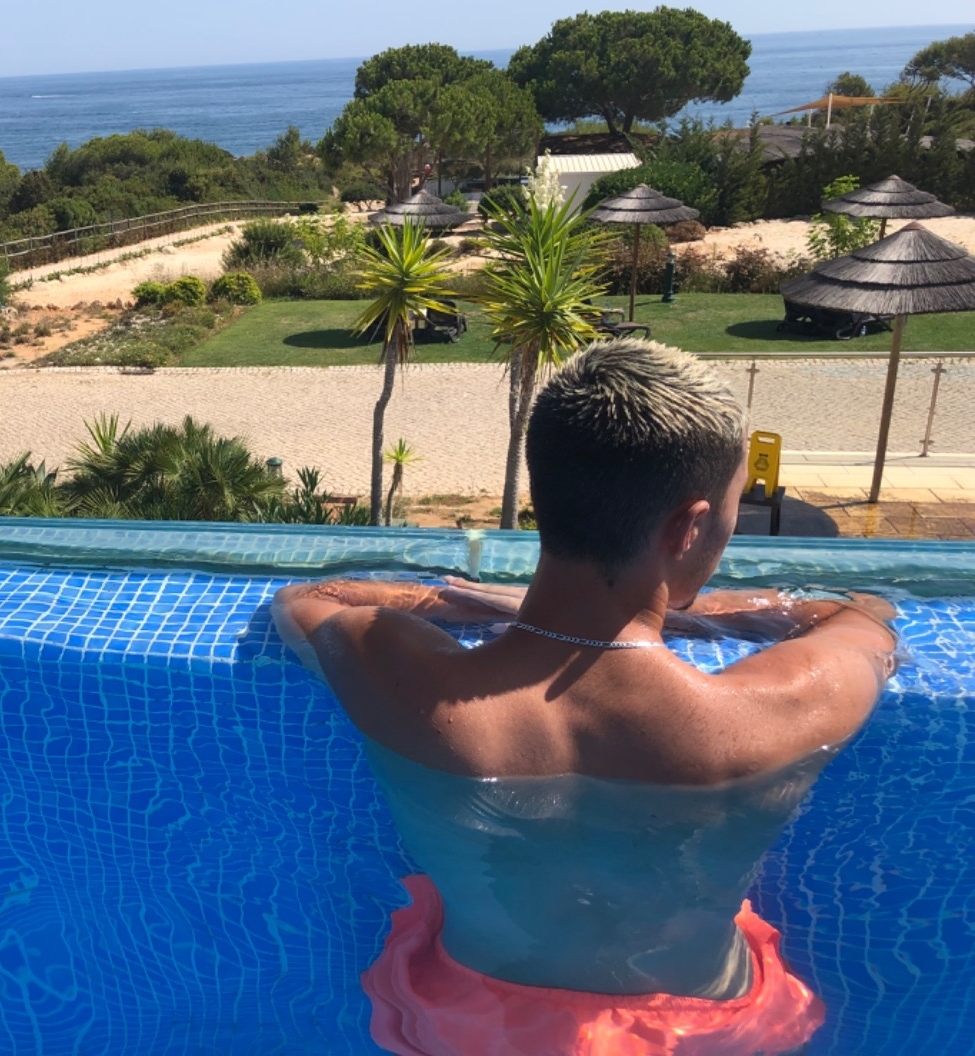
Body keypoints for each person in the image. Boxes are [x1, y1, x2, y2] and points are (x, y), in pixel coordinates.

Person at [271, 340, 898, 1055]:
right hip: (699, 1030)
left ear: (547, 494)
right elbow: (863, 615)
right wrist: (684, 609)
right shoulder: (782, 711)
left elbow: (306, 598)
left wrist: (505, 604)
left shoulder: (401, 680)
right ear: (689, 526)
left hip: (476, 1023)